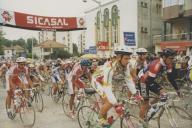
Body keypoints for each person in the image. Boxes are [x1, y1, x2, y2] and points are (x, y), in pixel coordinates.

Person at [91, 45, 139, 126]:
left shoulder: (126, 65)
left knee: (115, 100)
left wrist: (135, 93)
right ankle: (99, 119)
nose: (128, 60)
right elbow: (107, 86)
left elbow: (128, 80)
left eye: (129, 58)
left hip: (108, 83)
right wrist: (114, 102)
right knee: (110, 102)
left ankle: (106, 120)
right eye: (126, 58)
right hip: (98, 81)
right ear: (119, 57)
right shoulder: (110, 68)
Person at [138, 48, 179, 120]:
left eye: (173, 58)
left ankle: (150, 108)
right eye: (170, 58)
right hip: (143, 81)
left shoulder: (169, 63)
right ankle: (141, 121)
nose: (172, 60)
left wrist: (177, 90)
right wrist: (160, 92)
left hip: (151, 79)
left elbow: (171, 78)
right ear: (164, 57)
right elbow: (149, 82)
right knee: (145, 103)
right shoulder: (156, 65)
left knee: (162, 94)